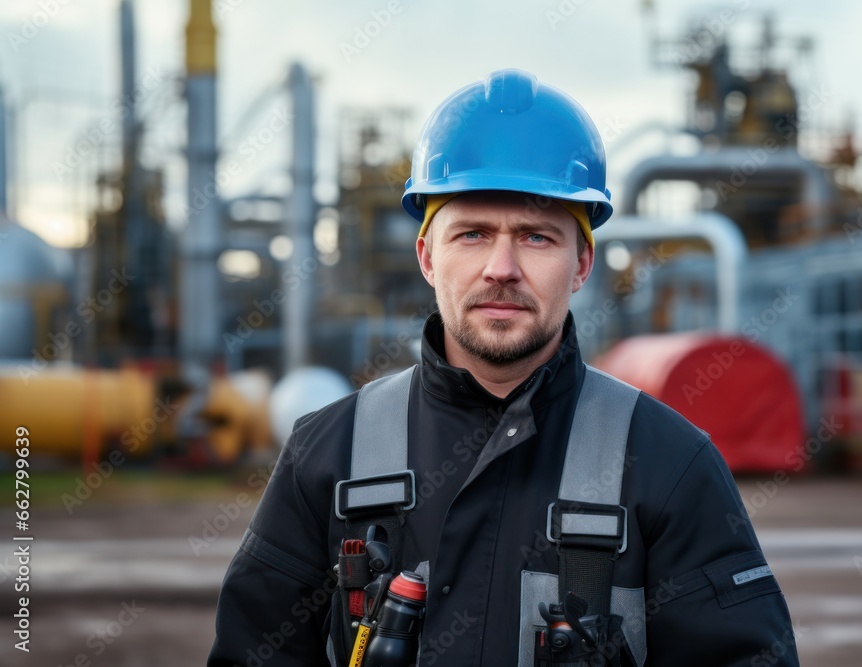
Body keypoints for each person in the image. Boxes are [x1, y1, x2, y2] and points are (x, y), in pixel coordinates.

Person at [209, 69, 799, 666]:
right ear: (427, 257)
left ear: (582, 263)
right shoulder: (327, 454)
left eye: (537, 237)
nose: (501, 267)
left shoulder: (669, 462)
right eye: (471, 234)